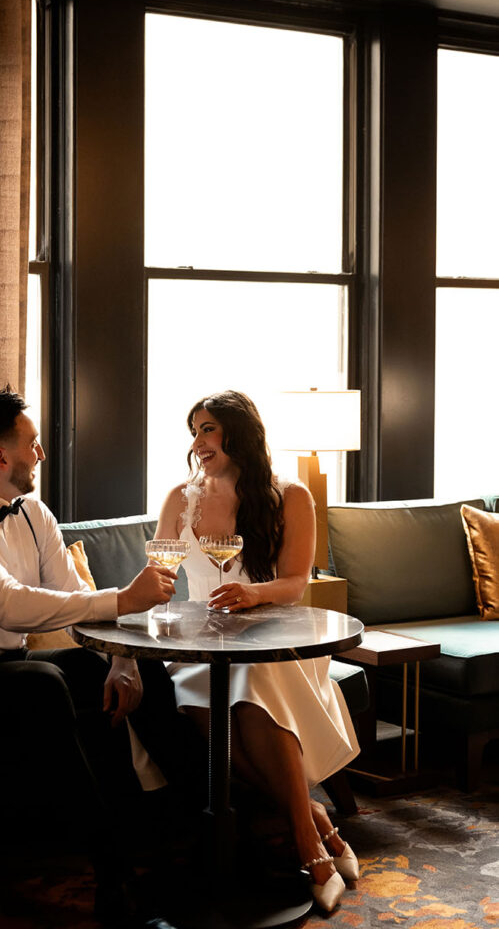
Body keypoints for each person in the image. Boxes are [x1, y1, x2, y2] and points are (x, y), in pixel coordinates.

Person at [0, 387, 187, 929]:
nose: (41, 454)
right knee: (44, 685)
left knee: (136, 668)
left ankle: (192, 837)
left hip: (7, 668)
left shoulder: (34, 514)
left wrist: (120, 658)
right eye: (33, 444)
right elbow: (9, 605)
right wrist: (125, 598)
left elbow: (73, 596)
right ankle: (113, 880)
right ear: (2, 456)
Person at [154, 390, 361, 913]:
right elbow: (161, 574)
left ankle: (310, 851)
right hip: (203, 641)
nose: (198, 441)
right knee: (199, 702)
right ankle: (316, 826)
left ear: (238, 434)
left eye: (208, 429)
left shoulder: (290, 496)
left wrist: (253, 594)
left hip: (276, 636)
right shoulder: (181, 498)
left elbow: (294, 582)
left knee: (252, 685)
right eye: (194, 430)